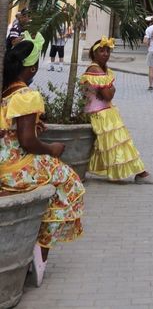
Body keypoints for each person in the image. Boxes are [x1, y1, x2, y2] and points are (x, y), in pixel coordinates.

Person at [0, 40, 84, 287]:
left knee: (55, 182)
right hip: (16, 167)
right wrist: (52, 149)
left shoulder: (6, 92)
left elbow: (13, 131)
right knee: (71, 185)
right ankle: (41, 248)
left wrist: (32, 126)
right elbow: (27, 141)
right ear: (33, 68)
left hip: (6, 162)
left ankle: (34, 246)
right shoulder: (26, 94)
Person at [80, 37, 153, 184]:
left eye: (107, 51)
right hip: (100, 114)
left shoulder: (102, 70)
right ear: (94, 53)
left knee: (118, 143)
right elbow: (108, 95)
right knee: (121, 143)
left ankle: (140, 173)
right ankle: (141, 173)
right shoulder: (95, 69)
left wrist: (109, 89)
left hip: (104, 111)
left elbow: (108, 93)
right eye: (101, 51)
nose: (105, 54)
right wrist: (110, 88)